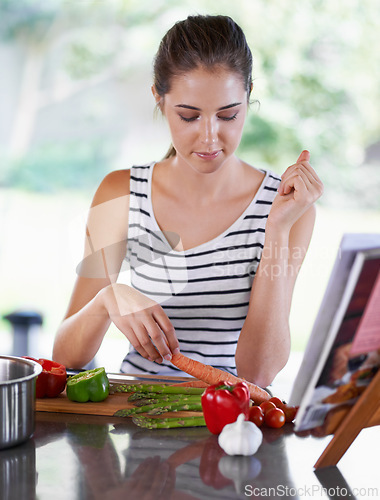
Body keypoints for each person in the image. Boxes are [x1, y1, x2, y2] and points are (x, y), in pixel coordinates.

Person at [53, 14, 323, 387]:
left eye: (228, 115)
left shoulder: (287, 207)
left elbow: (259, 373)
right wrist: (106, 299)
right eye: (189, 116)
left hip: (233, 424)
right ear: (159, 100)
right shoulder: (122, 193)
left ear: (247, 97)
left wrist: (276, 229)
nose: (210, 138)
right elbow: (64, 358)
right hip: (137, 414)